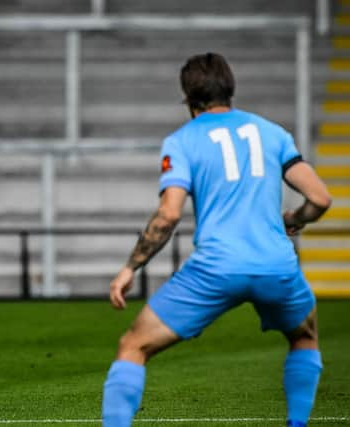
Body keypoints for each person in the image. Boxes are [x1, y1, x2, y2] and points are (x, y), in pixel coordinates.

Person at [101, 53, 331, 427]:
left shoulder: (182, 141)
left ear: (188, 98)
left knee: (134, 346)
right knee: (304, 337)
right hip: (277, 265)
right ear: (231, 89)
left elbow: (169, 214)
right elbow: (320, 198)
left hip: (216, 269)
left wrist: (131, 267)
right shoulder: (272, 132)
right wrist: (294, 219)